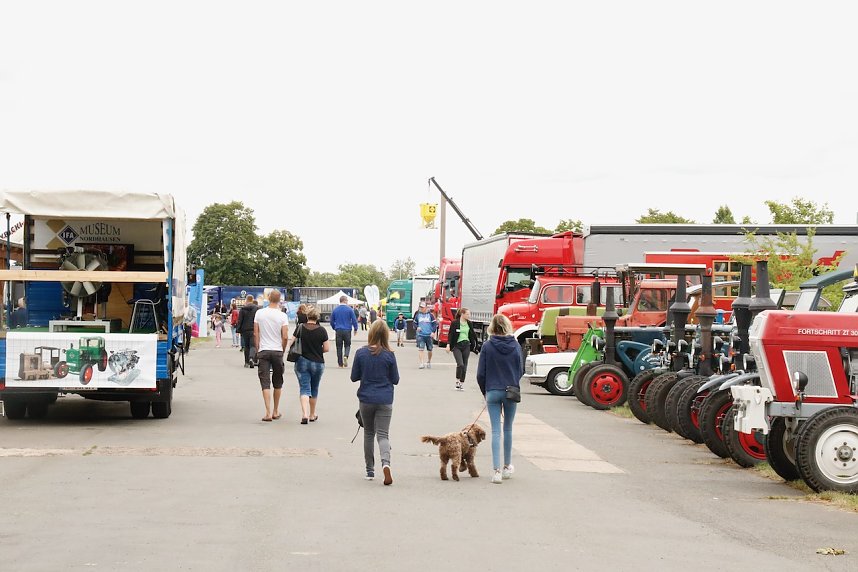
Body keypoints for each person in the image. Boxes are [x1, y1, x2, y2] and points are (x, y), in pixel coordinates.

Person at [351, 319, 400, 485]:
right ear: (386, 335)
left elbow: (353, 377)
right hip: (385, 398)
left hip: (366, 398)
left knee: (369, 433)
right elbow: (395, 379)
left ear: (371, 334)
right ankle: (386, 464)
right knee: (383, 435)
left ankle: (370, 470)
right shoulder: (389, 355)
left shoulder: (361, 353)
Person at [476, 314, 523, 484]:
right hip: (511, 390)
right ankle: (507, 466)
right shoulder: (516, 345)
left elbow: (481, 373)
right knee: (508, 429)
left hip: (493, 391)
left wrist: (485, 391)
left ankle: (496, 471)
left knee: (496, 430)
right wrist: (513, 381)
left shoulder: (488, 346)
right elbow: (521, 369)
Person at [253, 289, 290, 422]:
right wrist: (283, 348)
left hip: (264, 350)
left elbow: (256, 333)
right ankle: (276, 410)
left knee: (265, 381)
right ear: (279, 300)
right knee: (278, 381)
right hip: (277, 350)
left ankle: (267, 412)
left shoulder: (259, 313)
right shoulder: (282, 316)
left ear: (268, 298)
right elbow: (285, 336)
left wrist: (258, 348)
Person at [293, 305, 329, 424]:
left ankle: (305, 414)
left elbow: (292, 342)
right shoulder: (322, 330)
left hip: (302, 360)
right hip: (318, 362)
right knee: (314, 388)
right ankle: (313, 414)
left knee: (304, 388)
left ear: (307, 316)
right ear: (317, 317)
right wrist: (318, 350)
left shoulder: (300, 328)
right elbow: (327, 348)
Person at [447, 307, 478, 391]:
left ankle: (461, 383)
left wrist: (476, 345)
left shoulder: (469, 323)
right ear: (462, 314)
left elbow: (473, 334)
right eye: (467, 314)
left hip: (466, 345)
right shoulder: (455, 323)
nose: (469, 315)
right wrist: (448, 345)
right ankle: (457, 380)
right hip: (457, 345)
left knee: (465, 365)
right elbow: (450, 334)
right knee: (460, 364)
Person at [330, 295, 359, 368]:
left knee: (339, 347)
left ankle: (340, 363)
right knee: (347, 345)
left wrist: (334, 327)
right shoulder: (350, 310)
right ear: (345, 301)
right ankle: (346, 355)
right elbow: (354, 320)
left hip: (338, 330)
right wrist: (355, 328)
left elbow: (331, 321)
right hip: (347, 330)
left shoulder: (335, 310)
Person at [236, 295, 259, 368]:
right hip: (253, 329)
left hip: (244, 330)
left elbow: (240, 320)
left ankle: (246, 362)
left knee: (246, 346)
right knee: (253, 345)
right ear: (252, 300)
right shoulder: (256, 309)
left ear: (246, 300)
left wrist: (238, 330)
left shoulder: (242, 309)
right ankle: (251, 358)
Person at [413, 301, 437, 369]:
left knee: (430, 350)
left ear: (426, 307)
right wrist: (417, 327)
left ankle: (429, 361)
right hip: (421, 335)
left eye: (422, 307)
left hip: (429, 335)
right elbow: (414, 323)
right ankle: (421, 363)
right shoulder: (418, 315)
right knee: (421, 349)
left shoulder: (430, 315)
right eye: (420, 307)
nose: (421, 309)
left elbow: (434, 324)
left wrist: (433, 332)